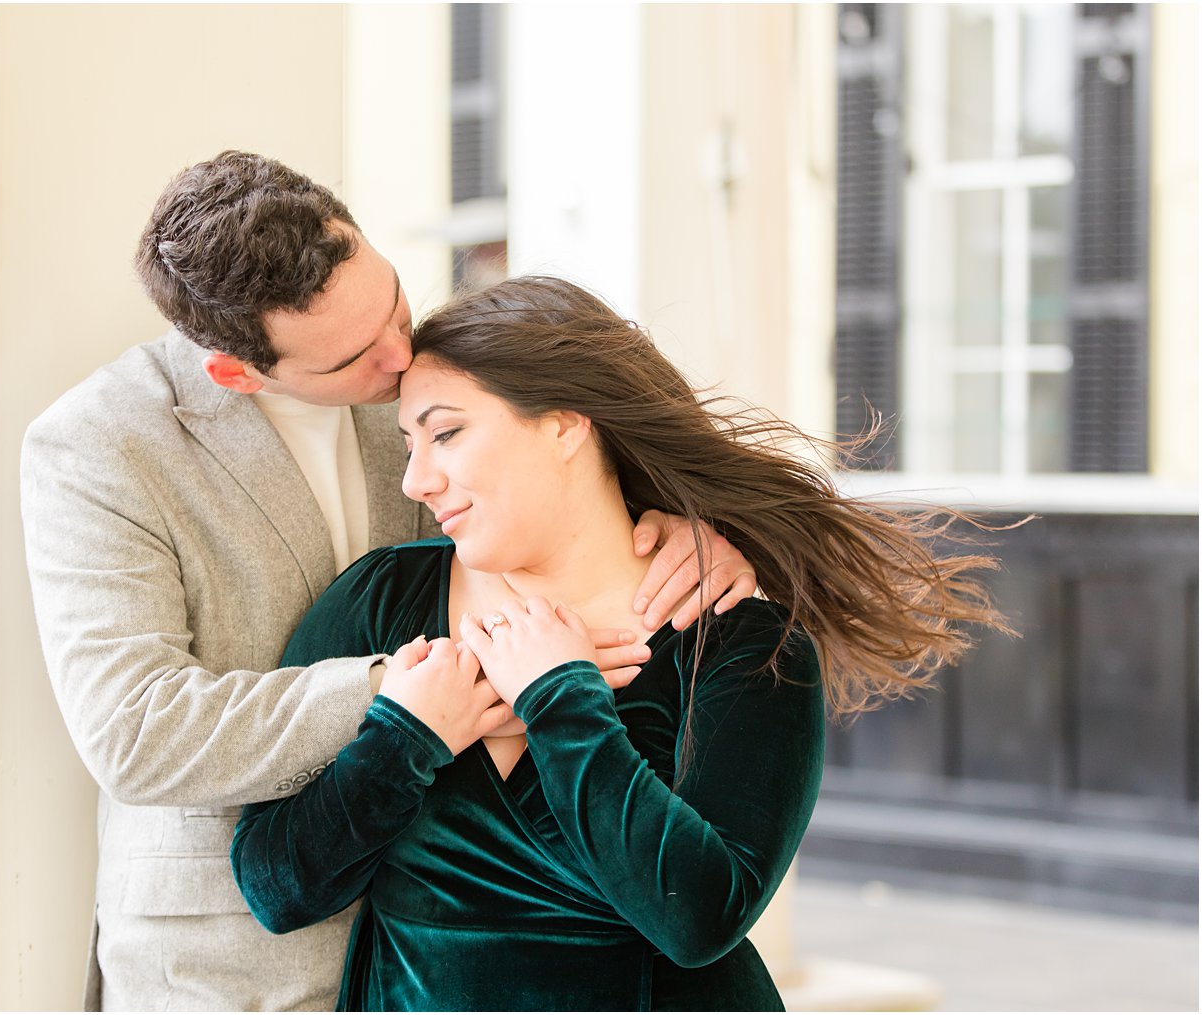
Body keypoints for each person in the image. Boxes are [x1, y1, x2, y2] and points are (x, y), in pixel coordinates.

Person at [19, 152, 757, 1010]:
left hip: (431, 933)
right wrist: (406, 692)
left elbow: (546, 454)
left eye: (395, 304)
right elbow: (135, 729)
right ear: (236, 369)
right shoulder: (100, 443)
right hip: (234, 955)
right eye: (356, 356)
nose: (402, 354)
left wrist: (676, 522)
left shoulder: (414, 379)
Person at [231, 275, 1011, 1011]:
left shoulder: (741, 643)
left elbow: (700, 919)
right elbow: (276, 888)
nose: (416, 481)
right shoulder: (383, 600)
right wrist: (405, 736)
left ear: (566, 422)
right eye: (409, 444)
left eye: (448, 435)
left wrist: (561, 698)